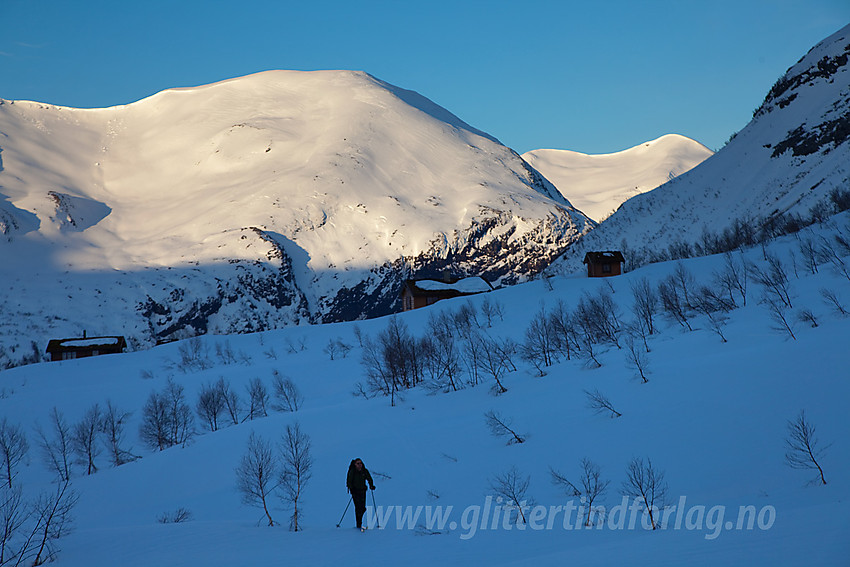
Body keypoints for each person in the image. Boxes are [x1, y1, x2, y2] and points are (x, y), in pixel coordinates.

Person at [346, 458, 375, 529]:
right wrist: (351, 488)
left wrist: (371, 485)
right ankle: (358, 524)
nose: (359, 465)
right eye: (358, 463)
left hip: (362, 491)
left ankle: (359, 522)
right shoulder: (352, 471)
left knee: (362, 508)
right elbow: (349, 481)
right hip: (355, 492)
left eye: (360, 463)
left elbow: (369, 478)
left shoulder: (364, 471)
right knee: (358, 507)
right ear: (355, 464)